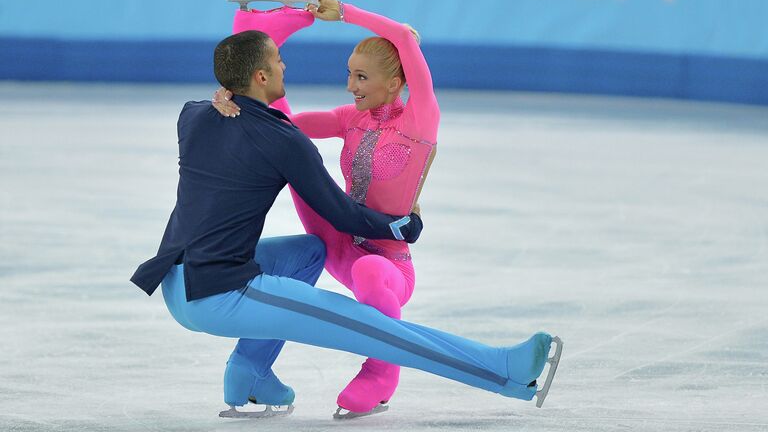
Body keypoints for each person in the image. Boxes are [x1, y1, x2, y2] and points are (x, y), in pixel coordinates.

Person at [131, 28, 561, 420]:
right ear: (261, 77)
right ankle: (505, 371)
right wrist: (399, 228)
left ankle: (248, 375)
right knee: (372, 329)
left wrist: (226, 88)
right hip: (219, 293)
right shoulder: (285, 141)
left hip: (176, 278)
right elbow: (341, 214)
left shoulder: (193, 114)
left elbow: (231, 93)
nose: (285, 65)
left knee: (308, 253)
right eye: (278, 60)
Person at [213, 0, 438, 416]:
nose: (350, 86)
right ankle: (260, 36)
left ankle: (380, 373)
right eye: (349, 75)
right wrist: (237, 100)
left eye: (361, 77)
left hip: (386, 263)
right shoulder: (351, 117)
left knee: (371, 270)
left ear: (394, 83)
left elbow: (405, 38)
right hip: (338, 242)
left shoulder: (420, 118)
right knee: (291, 155)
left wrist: (347, 13)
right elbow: (283, 128)